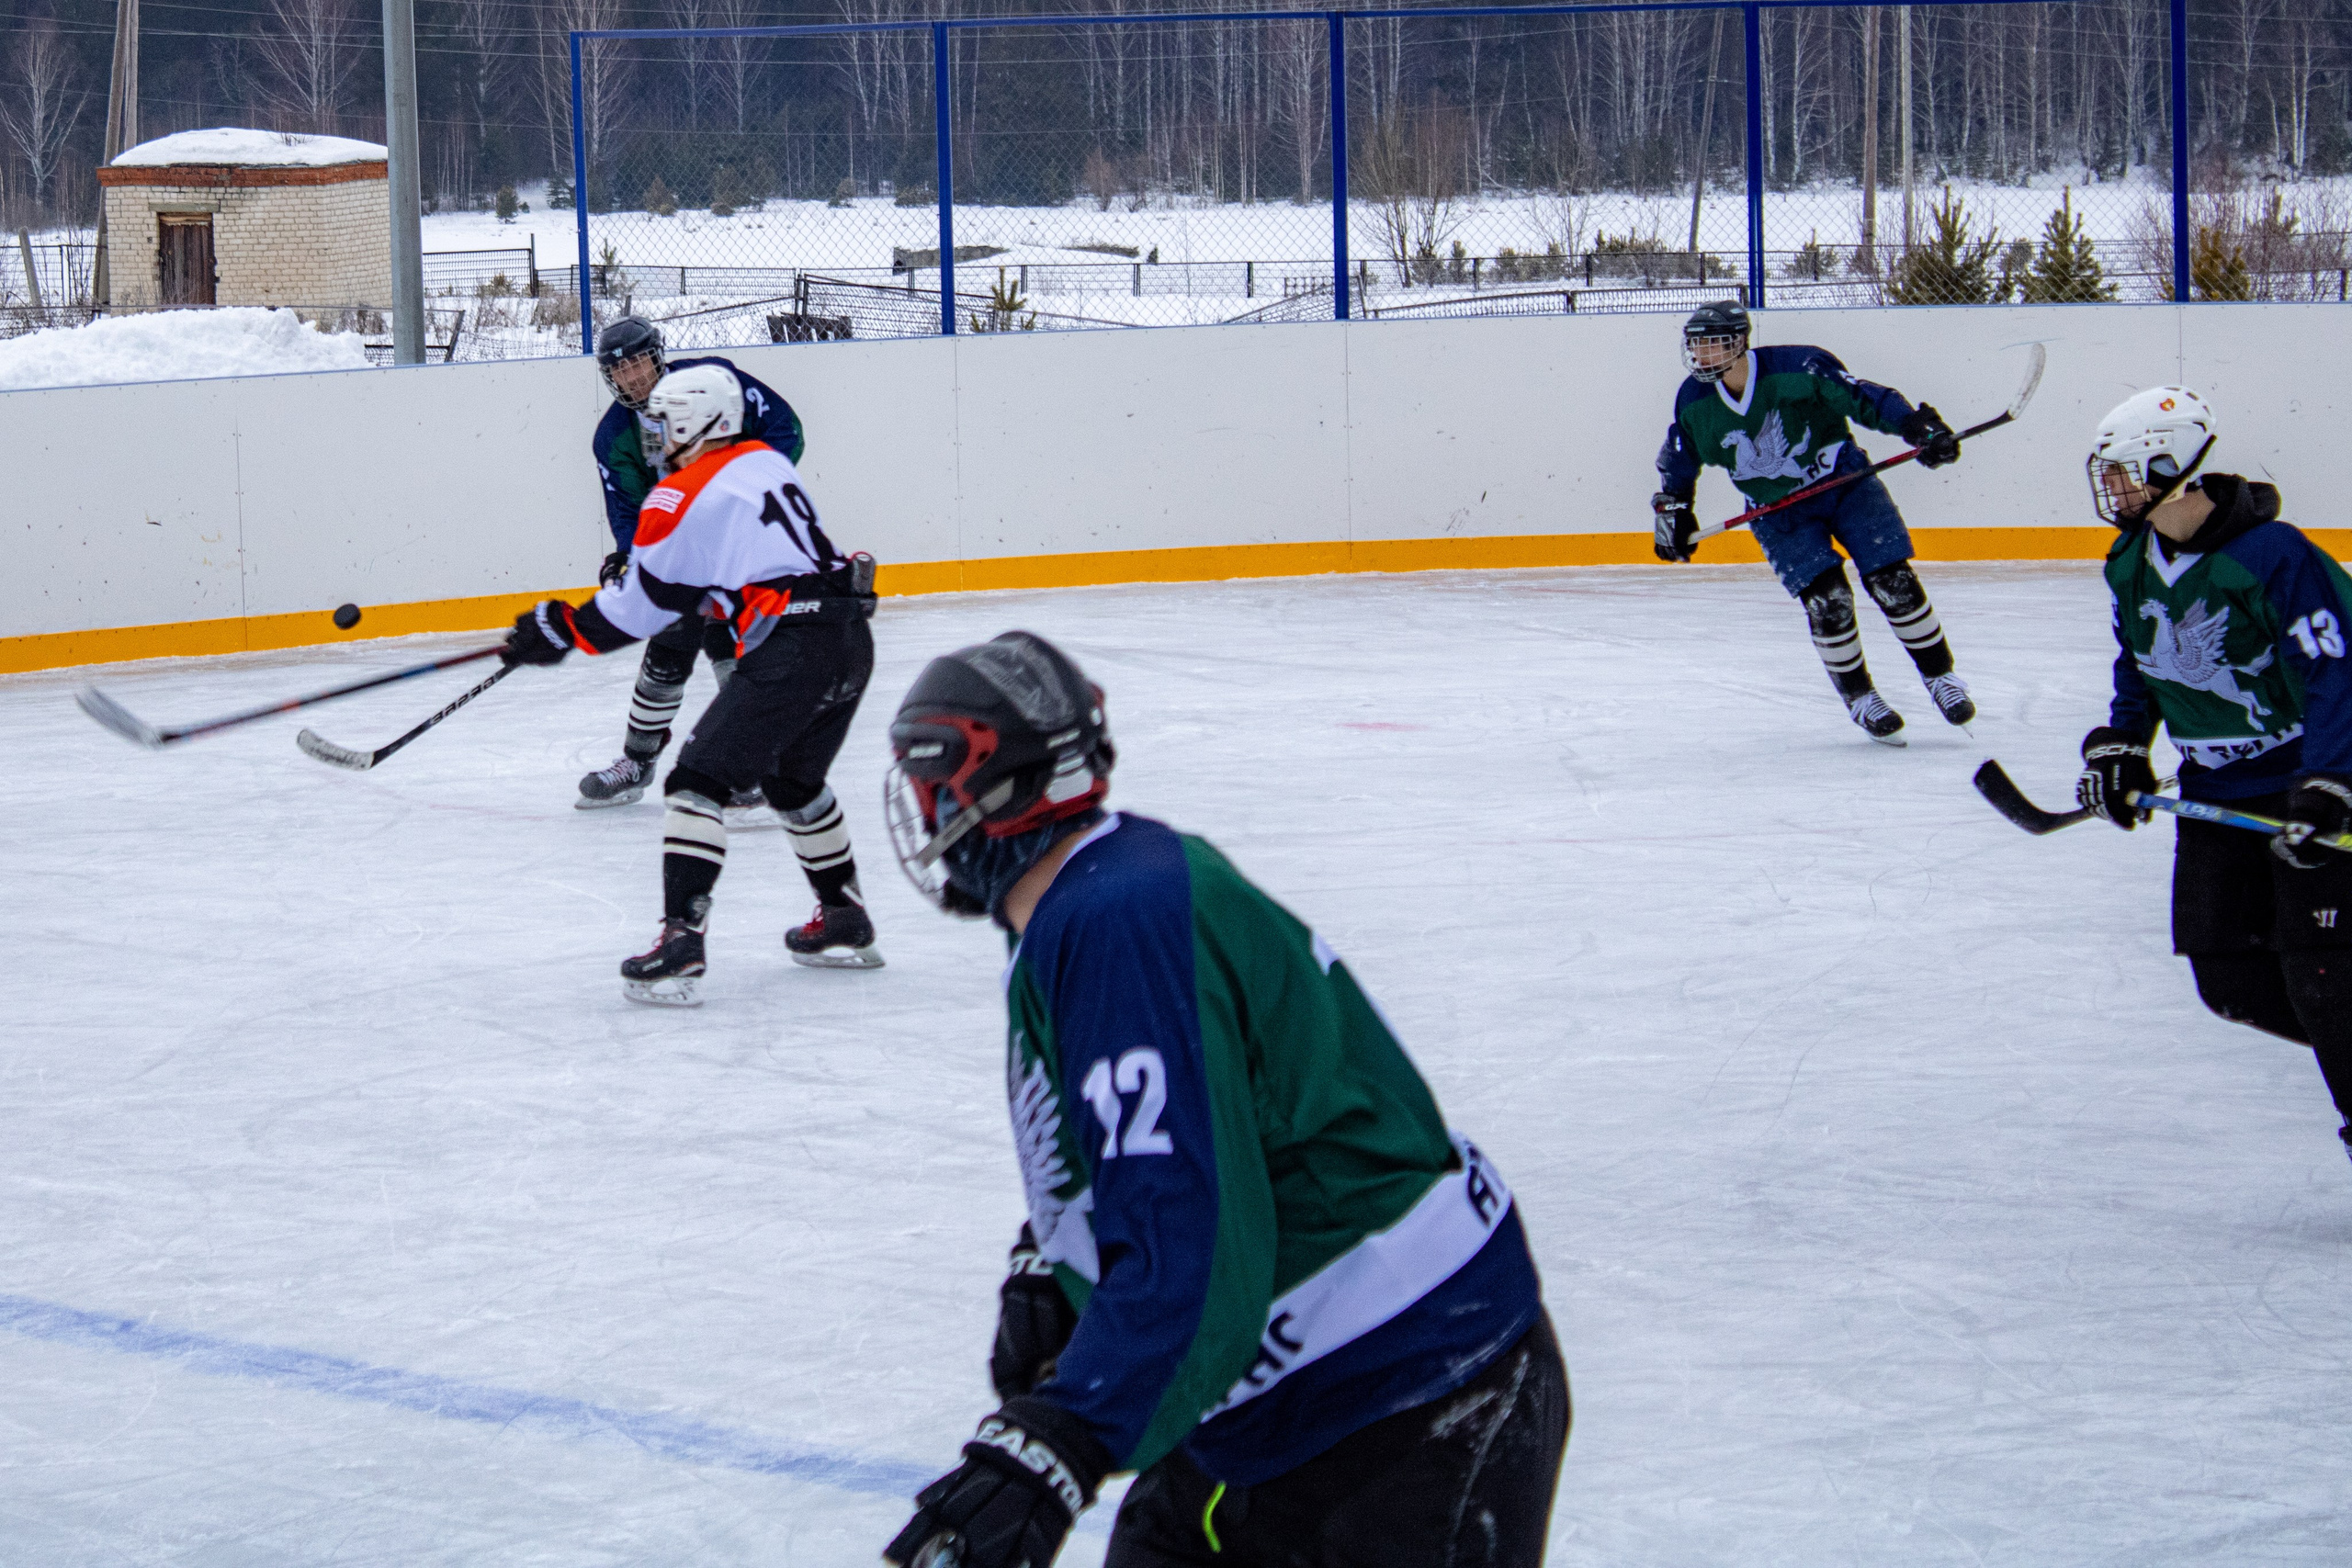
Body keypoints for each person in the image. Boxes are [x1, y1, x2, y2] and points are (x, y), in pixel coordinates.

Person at [877, 632, 1569, 1568]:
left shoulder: (1117, 918)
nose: (921, 808)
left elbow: (1192, 1244)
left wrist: (1061, 1442)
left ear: (991, 789)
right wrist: (1058, 1249)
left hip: (1407, 1397)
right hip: (1273, 1402)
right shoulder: (1088, 894)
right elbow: (1181, 1130)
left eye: (932, 776)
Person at [503, 362, 881, 1000]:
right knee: (794, 782)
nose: (655, 436)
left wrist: (559, 627)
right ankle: (845, 917)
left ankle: (681, 944)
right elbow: (733, 574)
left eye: (663, 423)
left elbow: (638, 610)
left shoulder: (678, 495)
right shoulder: (765, 462)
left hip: (793, 648)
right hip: (849, 639)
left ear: (693, 422)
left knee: (695, 781)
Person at [2074, 387, 2352, 1160]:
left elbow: (2336, 672)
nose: (2116, 488)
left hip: (2308, 781)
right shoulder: (2130, 558)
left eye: (2127, 472)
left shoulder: (2274, 555)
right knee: (2229, 980)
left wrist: (2334, 777)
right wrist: (2124, 743)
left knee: (2323, 976)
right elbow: (2142, 663)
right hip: (2213, 794)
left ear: (2174, 465)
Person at [1652, 300, 1973, 746]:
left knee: (1892, 581)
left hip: (1845, 485)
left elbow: (1864, 398)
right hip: (1778, 511)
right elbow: (1681, 454)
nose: (1702, 355)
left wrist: (1916, 427)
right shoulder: (1694, 399)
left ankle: (1941, 677)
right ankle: (1861, 698)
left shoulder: (1800, 366)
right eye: (1697, 346)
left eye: (1713, 344)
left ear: (1740, 342)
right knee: (1828, 601)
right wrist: (1674, 507)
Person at [576, 315, 809, 816]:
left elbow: (786, 429)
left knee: (734, 641)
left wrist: (749, 490)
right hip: (684, 550)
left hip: (741, 539)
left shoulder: (714, 382)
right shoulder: (614, 435)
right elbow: (629, 508)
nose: (633, 378)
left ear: (657, 356)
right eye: (620, 373)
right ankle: (638, 763)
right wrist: (628, 556)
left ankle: (747, 762)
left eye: (638, 363)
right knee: (669, 645)